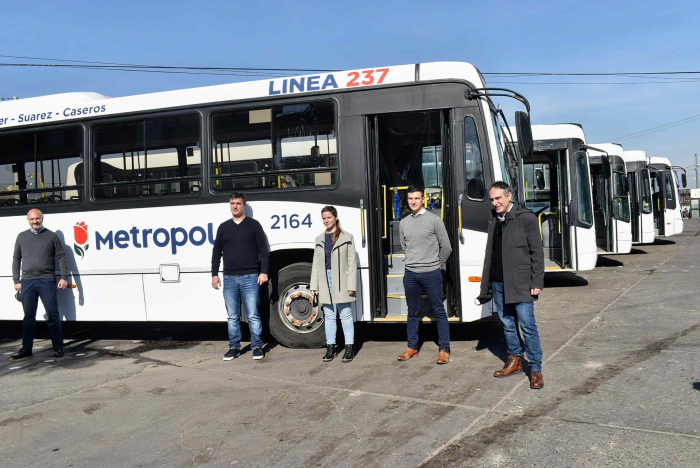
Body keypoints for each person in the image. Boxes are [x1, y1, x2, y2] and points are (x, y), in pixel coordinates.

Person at [477, 181, 545, 389]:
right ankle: (515, 359)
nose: (495, 202)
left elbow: (537, 253)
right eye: (492, 199)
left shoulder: (526, 218)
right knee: (507, 324)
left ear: (509, 196)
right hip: (499, 283)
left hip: (521, 283)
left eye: (498, 198)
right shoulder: (493, 219)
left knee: (528, 326)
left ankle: (535, 369)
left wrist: (537, 282)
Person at [397, 186, 452, 364]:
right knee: (412, 312)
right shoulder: (404, 223)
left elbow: (446, 247)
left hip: (431, 273)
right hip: (411, 274)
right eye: (410, 198)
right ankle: (412, 347)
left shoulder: (434, 220)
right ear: (407, 200)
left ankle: (444, 349)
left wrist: (436, 265)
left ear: (423, 199)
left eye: (417, 198)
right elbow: (405, 247)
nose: (413, 201)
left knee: (439, 311)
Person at [212, 192, 269, 361]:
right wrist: (214, 274)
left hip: (250, 276)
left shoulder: (254, 225)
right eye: (232, 203)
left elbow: (263, 250)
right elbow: (216, 252)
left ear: (244, 205)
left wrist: (263, 271)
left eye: (237, 203)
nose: (234, 206)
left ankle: (257, 346)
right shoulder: (223, 227)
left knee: (253, 315)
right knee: (232, 316)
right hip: (229, 278)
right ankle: (234, 347)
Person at [10, 209, 68, 361]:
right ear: (28, 220)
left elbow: (62, 256)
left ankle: (58, 347)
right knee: (29, 317)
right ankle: (26, 349)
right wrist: (16, 280)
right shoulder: (22, 237)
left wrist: (64, 277)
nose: (35, 221)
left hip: (46, 280)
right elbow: (16, 259)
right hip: (27, 282)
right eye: (32, 219)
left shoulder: (52, 236)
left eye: (37, 219)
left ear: (42, 218)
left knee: (53, 315)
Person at [310, 206, 357, 363]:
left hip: (342, 280)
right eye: (324, 218)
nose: (326, 221)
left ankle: (349, 347)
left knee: (345, 315)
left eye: (329, 217)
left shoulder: (347, 237)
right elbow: (316, 264)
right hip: (325, 279)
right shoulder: (319, 239)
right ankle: (331, 347)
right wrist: (314, 285)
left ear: (336, 217)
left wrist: (352, 285)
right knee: (329, 316)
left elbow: (352, 263)